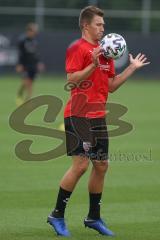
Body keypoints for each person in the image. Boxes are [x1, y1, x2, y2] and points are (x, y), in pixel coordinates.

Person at [47, 5, 150, 237]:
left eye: (103, 25)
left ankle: (93, 217)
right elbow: (71, 80)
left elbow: (111, 86)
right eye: (98, 24)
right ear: (86, 25)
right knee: (81, 166)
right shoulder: (78, 48)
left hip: (98, 117)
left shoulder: (106, 52)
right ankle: (57, 215)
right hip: (78, 115)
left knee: (101, 166)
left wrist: (131, 68)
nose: (103, 28)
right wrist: (92, 64)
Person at [16, 22, 44, 105]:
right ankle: (29, 99)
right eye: (34, 31)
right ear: (29, 31)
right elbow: (20, 53)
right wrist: (19, 64)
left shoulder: (35, 41)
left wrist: (39, 63)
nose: (35, 33)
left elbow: (36, 54)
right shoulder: (22, 40)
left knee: (30, 81)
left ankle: (21, 94)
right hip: (25, 64)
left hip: (33, 65)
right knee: (27, 81)